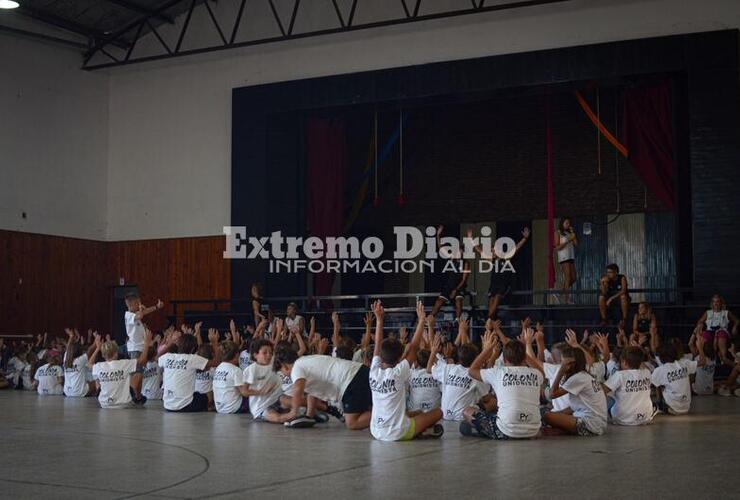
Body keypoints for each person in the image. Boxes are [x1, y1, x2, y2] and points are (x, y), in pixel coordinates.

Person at [369, 299, 444, 441]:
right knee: (438, 413)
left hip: (376, 430)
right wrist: (421, 320)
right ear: (399, 359)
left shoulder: (373, 372)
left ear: (381, 357)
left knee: (418, 412)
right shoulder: (398, 373)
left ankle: (421, 429)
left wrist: (379, 320)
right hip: (398, 432)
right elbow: (414, 347)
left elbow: (377, 345)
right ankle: (421, 431)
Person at [463, 329, 544, 439]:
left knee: (467, 412)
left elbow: (472, 371)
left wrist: (487, 349)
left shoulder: (498, 372)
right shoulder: (536, 373)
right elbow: (542, 372)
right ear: (524, 358)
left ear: (504, 359)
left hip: (506, 431)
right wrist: (523, 351)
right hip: (533, 431)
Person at [274, 343, 372, 430]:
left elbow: (298, 388)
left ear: (285, 366)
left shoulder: (296, 368)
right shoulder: (305, 361)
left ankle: (385, 415)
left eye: (281, 372)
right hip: (358, 373)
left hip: (351, 380)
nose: (284, 375)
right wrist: (309, 415)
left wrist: (293, 412)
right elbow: (312, 393)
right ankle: (383, 411)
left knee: (352, 423)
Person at [427, 320, 491, 422]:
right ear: (476, 359)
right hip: (463, 417)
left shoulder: (449, 368)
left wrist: (433, 351)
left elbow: (429, 369)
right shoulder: (476, 375)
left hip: (445, 415)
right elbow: (486, 398)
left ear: (459, 358)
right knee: (491, 401)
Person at [158, 329, 220, 412]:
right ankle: (209, 407)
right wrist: (215, 343)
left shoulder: (167, 357)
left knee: (196, 394)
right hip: (185, 406)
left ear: (178, 345)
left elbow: (157, 357)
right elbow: (216, 362)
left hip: (167, 405)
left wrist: (171, 343)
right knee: (205, 397)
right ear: (193, 349)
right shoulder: (192, 359)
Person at [477, 227, 530, 320]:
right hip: (493, 285)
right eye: (492, 251)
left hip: (502, 286)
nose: (493, 253)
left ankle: (487, 321)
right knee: (491, 305)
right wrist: (471, 241)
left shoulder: (505, 258)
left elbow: (516, 248)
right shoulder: (492, 260)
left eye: (494, 251)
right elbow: (480, 251)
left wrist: (524, 238)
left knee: (496, 301)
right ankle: (490, 325)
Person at [88, 332, 152, 409]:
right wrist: (146, 344)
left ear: (103, 355)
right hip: (123, 404)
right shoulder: (123, 363)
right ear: (116, 353)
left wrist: (97, 348)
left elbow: (89, 364)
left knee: (96, 377)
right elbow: (142, 360)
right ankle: (138, 398)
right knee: (138, 374)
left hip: (104, 403)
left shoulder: (99, 366)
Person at [124, 292, 164, 405]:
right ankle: (131, 394)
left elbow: (144, 313)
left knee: (140, 372)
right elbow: (141, 315)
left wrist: (156, 307)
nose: (140, 305)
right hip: (135, 348)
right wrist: (141, 309)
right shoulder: (128, 315)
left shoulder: (135, 313)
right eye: (137, 303)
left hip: (140, 347)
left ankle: (138, 396)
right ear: (130, 304)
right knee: (137, 372)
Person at [651, 337, 705, 414]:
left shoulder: (660, 370)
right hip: (686, 407)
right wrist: (700, 348)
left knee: (657, 383)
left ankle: (661, 404)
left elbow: (649, 384)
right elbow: (703, 362)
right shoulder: (684, 363)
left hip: (672, 406)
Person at [602, 346, 653, 425]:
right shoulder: (647, 372)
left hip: (623, 418)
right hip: (646, 417)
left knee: (608, 398)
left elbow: (602, 391)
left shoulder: (620, 375)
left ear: (624, 362)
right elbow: (640, 364)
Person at [430, 225, 471, 321]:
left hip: (459, 286)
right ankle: (429, 319)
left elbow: (464, 279)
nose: (459, 253)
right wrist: (438, 235)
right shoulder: (452, 258)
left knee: (458, 300)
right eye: (457, 251)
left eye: (461, 252)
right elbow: (440, 247)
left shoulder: (466, 263)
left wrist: (456, 290)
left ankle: (458, 320)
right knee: (439, 301)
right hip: (449, 285)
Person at [243, 338, 286, 423]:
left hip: (278, 400)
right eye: (265, 353)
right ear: (255, 355)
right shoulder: (251, 369)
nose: (269, 355)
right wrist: (261, 392)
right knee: (277, 418)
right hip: (261, 406)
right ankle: (292, 418)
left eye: (270, 353)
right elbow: (244, 391)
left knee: (294, 401)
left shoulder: (273, 363)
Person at [695, 294, 738, 366]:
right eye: (714, 301)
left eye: (717, 301)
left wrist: (735, 327)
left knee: (721, 333)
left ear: (721, 303)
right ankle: (704, 356)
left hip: (722, 330)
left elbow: (737, 320)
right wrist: (701, 324)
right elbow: (700, 321)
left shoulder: (726, 312)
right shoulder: (708, 312)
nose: (715, 303)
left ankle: (723, 358)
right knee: (705, 334)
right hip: (710, 331)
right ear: (712, 303)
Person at [212, 340, 251, 414]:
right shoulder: (235, 370)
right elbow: (244, 392)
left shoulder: (218, 368)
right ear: (236, 355)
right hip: (233, 408)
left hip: (219, 408)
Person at [63, 329, 96, 398]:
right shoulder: (80, 360)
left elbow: (68, 348)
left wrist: (71, 337)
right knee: (95, 382)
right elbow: (90, 350)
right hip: (79, 392)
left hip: (67, 392)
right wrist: (96, 340)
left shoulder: (65, 359)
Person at [554, 217, 577, 304]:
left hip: (571, 256)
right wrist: (568, 240)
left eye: (569, 223)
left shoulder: (569, 233)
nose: (568, 225)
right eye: (566, 223)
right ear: (562, 223)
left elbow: (576, 244)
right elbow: (557, 247)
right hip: (564, 257)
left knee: (574, 278)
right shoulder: (558, 232)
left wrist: (572, 234)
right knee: (567, 278)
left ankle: (559, 293)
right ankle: (568, 300)